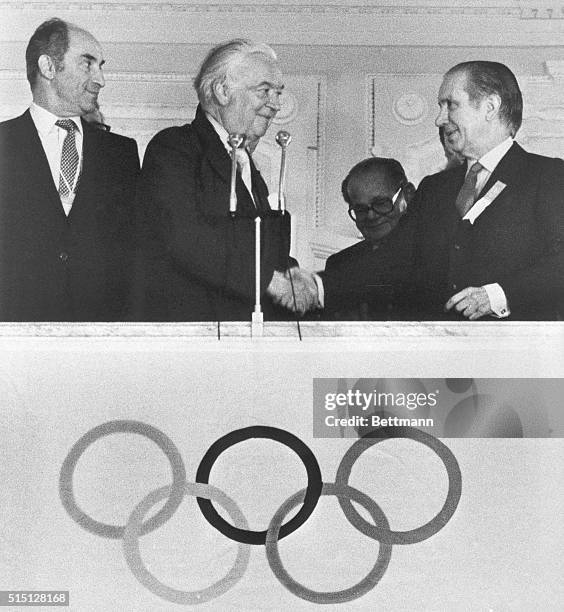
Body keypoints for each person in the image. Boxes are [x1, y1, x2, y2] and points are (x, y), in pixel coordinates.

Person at [137, 39, 317, 321]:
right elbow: (185, 238)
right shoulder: (175, 147)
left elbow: (260, 250)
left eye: (278, 93)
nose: (276, 105)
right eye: (265, 90)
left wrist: (296, 278)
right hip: (198, 337)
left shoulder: (247, 166)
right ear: (222, 91)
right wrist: (268, 280)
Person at [0, 18, 139, 321]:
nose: (100, 79)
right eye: (87, 64)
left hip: (101, 337)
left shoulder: (122, 154)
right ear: (48, 67)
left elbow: (134, 254)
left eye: (100, 66)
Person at [412, 61, 564, 320]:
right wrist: (322, 285)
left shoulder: (549, 176)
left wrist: (500, 295)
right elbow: (394, 256)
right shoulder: (433, 189)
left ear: (490, 107)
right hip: (439, 352)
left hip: (514, 353)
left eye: (451, 104)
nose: (439, 119)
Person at [321, 157, 416, 320]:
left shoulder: (431, 253)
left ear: (407, 195)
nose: (371, 216)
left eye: (381, 203)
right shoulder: (340, 265)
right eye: (360, 209)